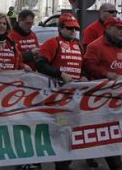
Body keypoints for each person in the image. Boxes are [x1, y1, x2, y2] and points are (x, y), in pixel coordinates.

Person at [82, 16, 122, 170]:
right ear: (108, 28)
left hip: (120, 98)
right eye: (118, 28)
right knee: (109, 131)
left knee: (112, 130)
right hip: (102, 98)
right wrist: (106, 74)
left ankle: (89, 155)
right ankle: (116, 165)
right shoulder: (95, 46)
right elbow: (87, 65)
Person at [36, 13, 86, 170]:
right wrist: (60, 74)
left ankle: (64, 163)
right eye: (69, 28)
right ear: (60, 28)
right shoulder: (52, 43)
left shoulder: (79, 45)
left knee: (70, 130)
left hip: (75, 96)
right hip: (55, 96)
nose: (73, 31)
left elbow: (83, 66)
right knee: (57, 130)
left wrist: (84, 76)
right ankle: (55, 163)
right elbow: (41, 64)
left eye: (75, 28)